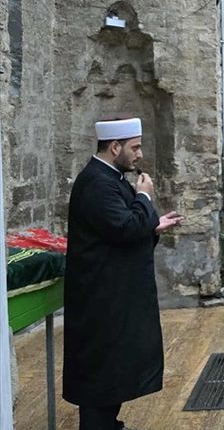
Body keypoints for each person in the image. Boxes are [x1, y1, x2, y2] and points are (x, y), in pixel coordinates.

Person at [63, 118, 183, 430]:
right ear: (115, 147)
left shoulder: (109, 178)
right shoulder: (97, 183)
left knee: (113, 369)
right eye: (135, 147)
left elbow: (123, 228)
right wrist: (144, 197)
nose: (139, 154)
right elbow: (125, 227)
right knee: (101, 373)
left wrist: (153, 225)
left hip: (112, 294)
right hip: (101, 296)